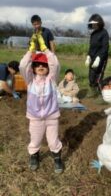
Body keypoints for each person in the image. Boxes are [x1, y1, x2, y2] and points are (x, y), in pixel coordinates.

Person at [19, 34, 63, 173]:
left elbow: (54, 64)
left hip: (51, 117)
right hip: (35, 117)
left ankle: (57, 158)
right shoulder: (30, 81)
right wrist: (31, 50)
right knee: (35, 139)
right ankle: (34, 156)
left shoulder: (52, 79)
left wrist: (45, 49)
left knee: (53, 140)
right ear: (32, 68)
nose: (40, 66)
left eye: (43, 64)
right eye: (37, 64)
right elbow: (22, 65)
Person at [85, 14, 109, 98]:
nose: (93, 25)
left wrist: (99, 58)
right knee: (91, 75)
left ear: (99, 22)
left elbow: (105, 47)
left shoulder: (104, 33)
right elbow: (91, 47)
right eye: (92, 23)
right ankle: (93, 91)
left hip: (101, 58)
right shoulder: (93, 34)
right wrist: (88, 57)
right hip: (93, 57)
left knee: (98, 76)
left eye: (95, 23)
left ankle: (100, 94)